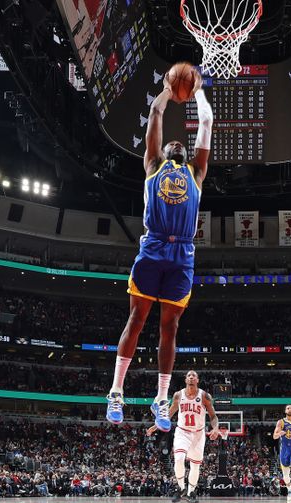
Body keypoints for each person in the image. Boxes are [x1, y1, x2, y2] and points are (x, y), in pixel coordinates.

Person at [106, 66, 213, 431]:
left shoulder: (197, 174)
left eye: (182, 144)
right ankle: (117, 391)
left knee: (170, 328)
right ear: (164, 151)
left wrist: (196, 90)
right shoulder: (153, 166)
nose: (179, 144)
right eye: (173, 144)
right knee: (137, 319)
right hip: (152, 248)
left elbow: (207, 122)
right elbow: (155, 113)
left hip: (182, 254)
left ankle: (161, 398)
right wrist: (169, 88)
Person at [146, 370, 220, 503]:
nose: (191, 377)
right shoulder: (178, 395)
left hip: (198, 433)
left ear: (197, 380)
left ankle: (191, 492)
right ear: (186, 379)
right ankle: (181, 489)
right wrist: (156, 426)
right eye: (189, 376)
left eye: (194, 376)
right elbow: (168, 414)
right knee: (179, 458)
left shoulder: (205, 396)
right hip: (182, 431)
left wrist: (215, 428)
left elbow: (213, 416)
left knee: (195, 465)